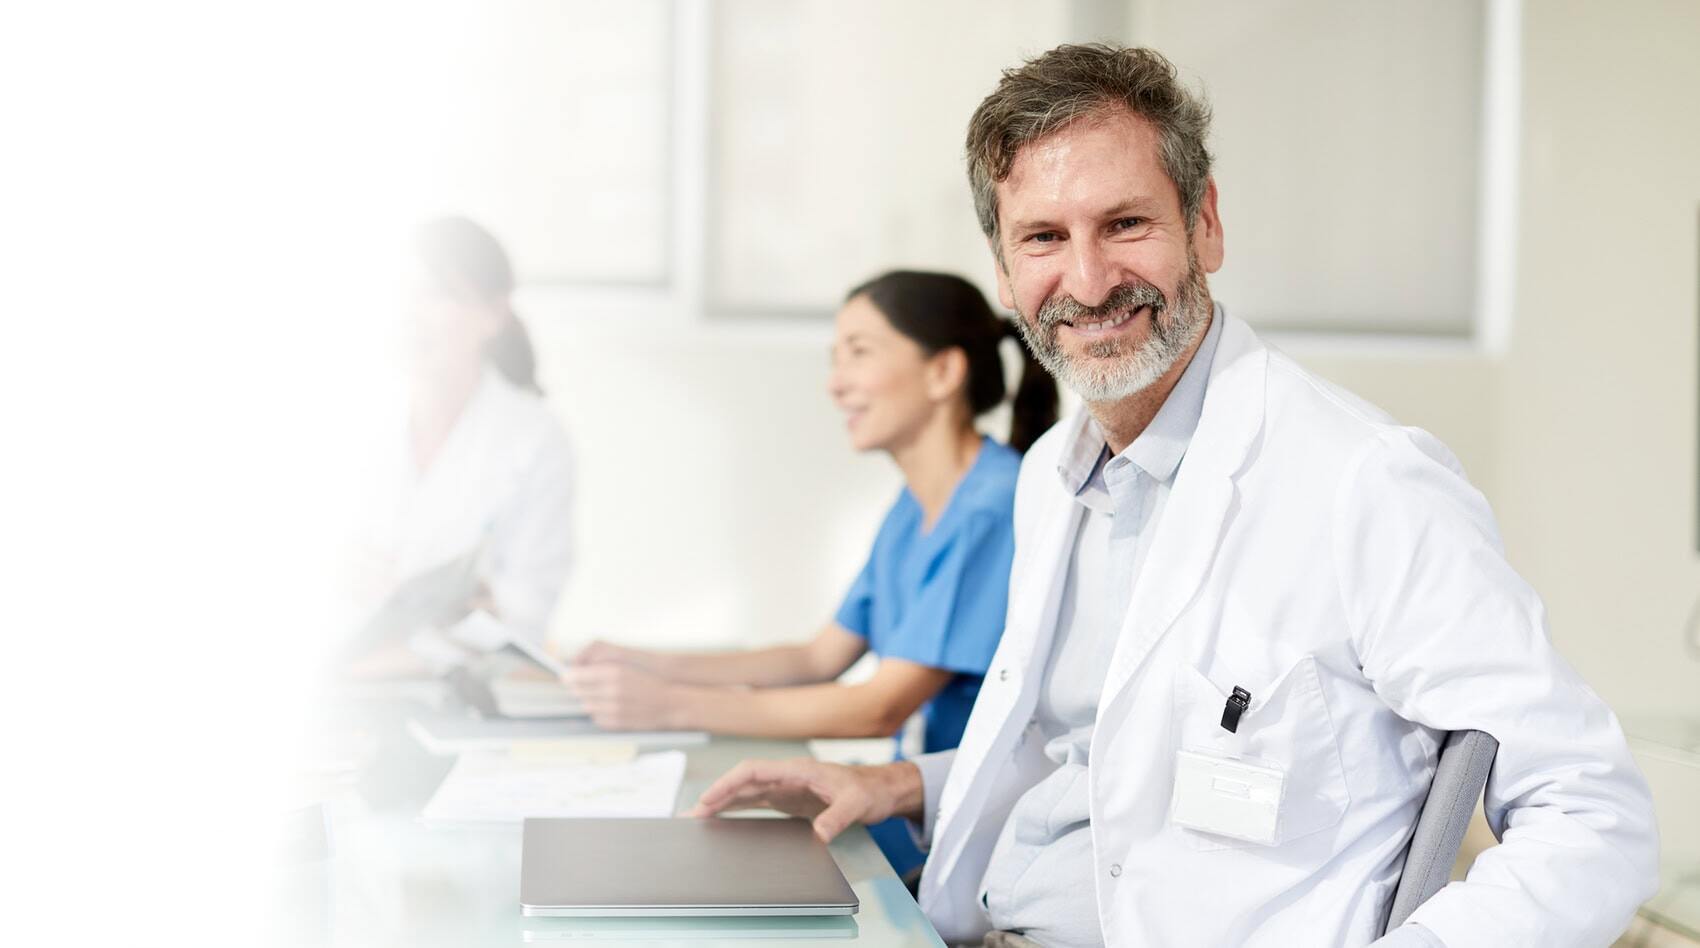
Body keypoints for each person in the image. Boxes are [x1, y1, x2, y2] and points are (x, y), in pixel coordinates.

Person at [689, 45, 1659, 947]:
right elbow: (1106, 764)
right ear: (1003, 273)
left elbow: (1593, 819)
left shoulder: (1363, 482)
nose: (1087, 278)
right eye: (1041, 238)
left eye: (1124, 223)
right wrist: (893, 783)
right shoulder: (1050, 477)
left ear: (1204, 224)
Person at [569, 271, 1057, 875]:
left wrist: (668, 706)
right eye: (834, 359)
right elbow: (816, 658)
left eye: (859, 353)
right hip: (921, 816)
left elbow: (875, 709)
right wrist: (645, 664)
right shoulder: (918, 506)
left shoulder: (990, 506)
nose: (835, 384)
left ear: (943, 373)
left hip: (971, 841)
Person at [345, 216, 573, 672]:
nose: (411, 313)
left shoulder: (533, 439)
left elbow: (525, 613)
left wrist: (416, 653)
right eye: (401, 292)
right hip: (331, 687)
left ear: (493, 314)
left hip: (458, 694)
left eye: (435, 294)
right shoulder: (346, 420)